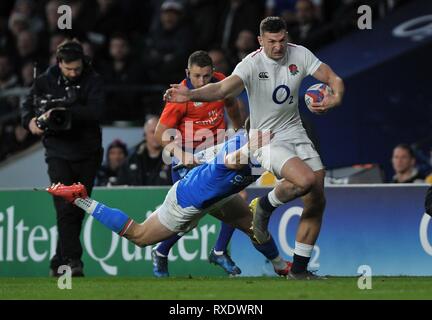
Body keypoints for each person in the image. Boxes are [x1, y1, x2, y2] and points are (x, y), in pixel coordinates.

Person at [164, 16, 345, 279]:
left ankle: (299, 270)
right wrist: (189, 94)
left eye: (282, 40)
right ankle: (264, 206)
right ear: (261, 41)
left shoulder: (300, 54)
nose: (278, 46)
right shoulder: (251, 64)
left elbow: (333, 78)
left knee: (317, 195)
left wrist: (335, 99)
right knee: (304, 179)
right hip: (264, 138)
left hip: (294, 130)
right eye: (272, 41)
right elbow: (222, 88)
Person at [45, 122, 292, 277]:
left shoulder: (251, 144)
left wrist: (190, 161)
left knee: (253, 226)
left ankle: (282, 267)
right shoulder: (243, 150)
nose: (270, 135)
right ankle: (81, 198)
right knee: (140, 236)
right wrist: (250, 148)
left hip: (215, 194)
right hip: (187, 201)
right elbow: (233, 160)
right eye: (266, 133)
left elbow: (209, 156)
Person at [153, 50, 244, 277]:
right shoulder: (180, 97)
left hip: (216, 157)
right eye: (196, 76)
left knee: (236, 201)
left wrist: (239, 131)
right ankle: (161, 251)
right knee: (187, 219)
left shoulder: (221, 83)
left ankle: (220, 251)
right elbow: (159, 133)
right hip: (188, 161)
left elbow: (232, 103)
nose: (202, 81)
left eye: (205, 76)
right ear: (187, 73)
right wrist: (180, 154)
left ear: (213, 72)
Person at [21, 39, 104, 277]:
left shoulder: (93, 79)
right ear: (59, 64)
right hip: (57, 152)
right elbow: (26, 107)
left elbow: (98, 111)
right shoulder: (44, 81)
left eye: (77, 68)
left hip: (87, 152)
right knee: (65, 205)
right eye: (69, 69)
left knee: (78, 206)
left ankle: (58, 260)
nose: (74, 73)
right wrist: (32, 122)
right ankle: (72, 261)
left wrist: (67, 111)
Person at [117, 115, 171, 186]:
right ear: (145, 135)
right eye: (152, 132)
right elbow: (121, 187)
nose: (156, 135)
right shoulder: (131, 160)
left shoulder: (173, 160)